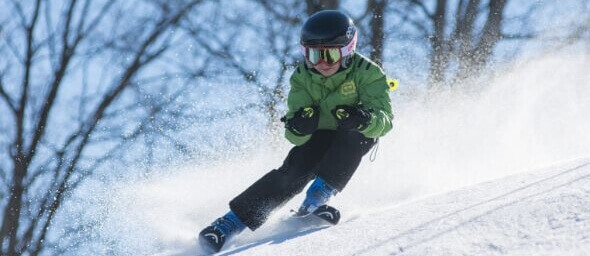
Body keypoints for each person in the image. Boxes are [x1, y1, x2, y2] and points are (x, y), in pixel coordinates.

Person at [198, 10, 393, 253]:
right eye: (313, 55)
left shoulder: (368, 73)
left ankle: (316, 199)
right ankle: (228, 224)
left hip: (353, 133)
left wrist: (363, 119)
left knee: (357, 137)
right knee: (295, 170)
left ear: (347, 50)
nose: (321, 63)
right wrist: (299, 126)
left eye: (330, 55)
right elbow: (294, 135)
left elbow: (385, 121)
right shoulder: (302, 77)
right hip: (319, 136)